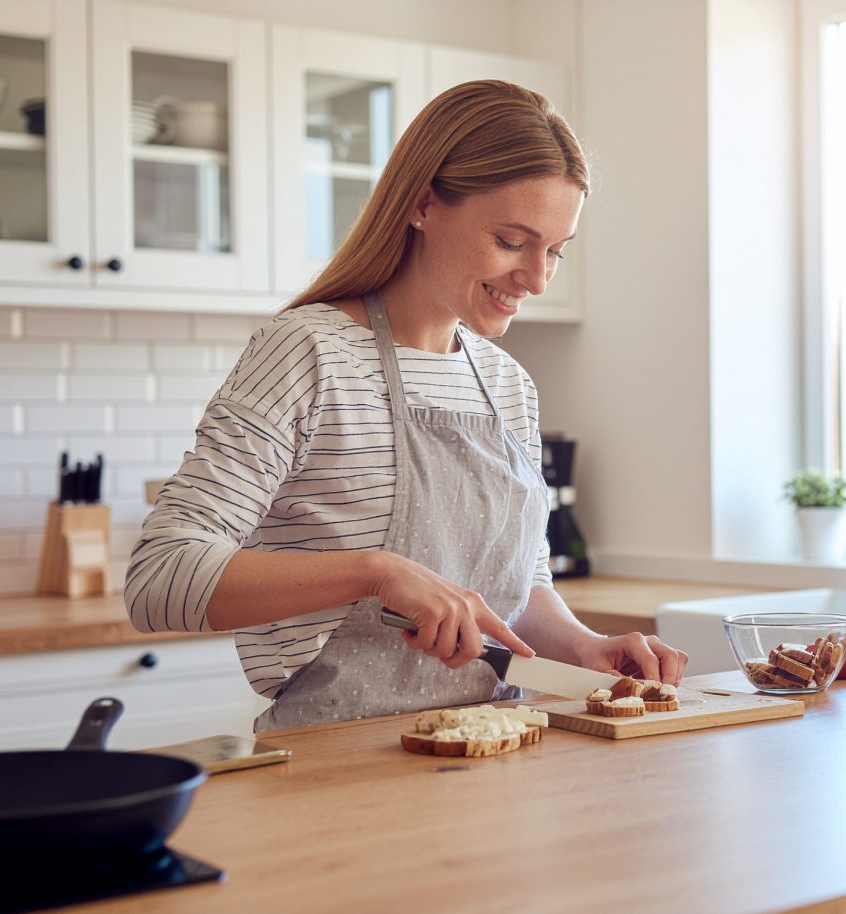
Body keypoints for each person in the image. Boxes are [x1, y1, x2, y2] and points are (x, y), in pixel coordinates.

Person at [125, 80, 687, 732]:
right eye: (512, 241)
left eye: (555, 251)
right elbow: (159, 579)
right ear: (424, 204)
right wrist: (376, 573)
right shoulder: (308, 353)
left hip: (493, 750)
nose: (536, 279)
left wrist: (584, 646)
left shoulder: (507, 386)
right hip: (334, 771)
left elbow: (519, 591)